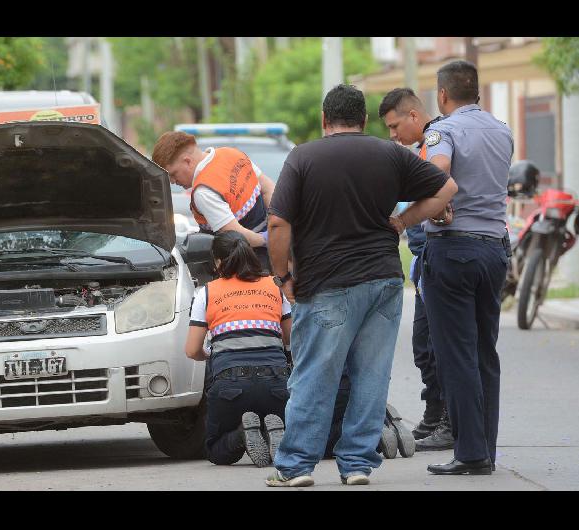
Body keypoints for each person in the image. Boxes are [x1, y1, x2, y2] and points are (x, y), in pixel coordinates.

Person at [264, 84, 457, 487]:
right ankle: (356, 464)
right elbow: (446, 188)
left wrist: (282, 276)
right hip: (383, 280)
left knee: (315, 374)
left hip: (326, 283)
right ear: (364, 120)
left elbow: (279, 223)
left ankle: (297, 465)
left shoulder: (303, 157)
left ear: (323, 119)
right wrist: (403, 223)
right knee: (371, 375)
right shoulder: (390, 154)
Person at [410, 61, 513, 476]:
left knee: (455, 355)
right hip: (494, 249)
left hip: (453, 251)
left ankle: (470, 453)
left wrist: (414, 213)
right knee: (484, 351)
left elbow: (437, 172)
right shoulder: (502, 129)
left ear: (442, 95)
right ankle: (485, 448)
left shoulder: (442, 130)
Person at [378, 88, 454, 449]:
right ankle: (433, 413)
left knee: (439, 343)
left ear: (413, 116)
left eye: (395, 126)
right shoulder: (419, 148)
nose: (393, 135)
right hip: (424, 256)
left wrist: (404, 221)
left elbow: (441, 182)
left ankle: (449, 421)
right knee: (424, 344)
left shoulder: (437, 141)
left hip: (440, 250)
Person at [185, 230, 292, 467]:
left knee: (216, 450)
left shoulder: (208, 292)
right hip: (275, 382)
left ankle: (243, 433)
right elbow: (291, 339)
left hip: (230, 385)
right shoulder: (274, 286)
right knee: (285, 420)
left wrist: (211, 354)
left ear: (219, 262)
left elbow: (192, 349)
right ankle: (274, 430)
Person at [152, 131, 276, 269]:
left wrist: (267, 239)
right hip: (270, 255)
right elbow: (269, 188)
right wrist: (275, 229)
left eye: (173, 174)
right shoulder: (231, 154)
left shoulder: (204, 191)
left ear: (187, 161)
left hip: (246, 264)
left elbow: (235, 235)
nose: (172, 181)